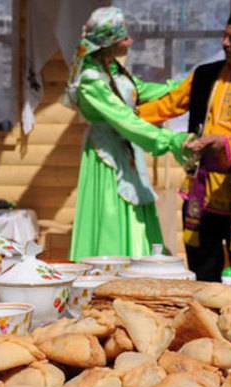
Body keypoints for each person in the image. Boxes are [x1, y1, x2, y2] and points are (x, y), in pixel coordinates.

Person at [138, 5, 231, 300]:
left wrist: (224, 143)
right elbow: (168, 105)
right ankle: (206, 334)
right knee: (203, 271)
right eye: (225, 36)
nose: (225, 44)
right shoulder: (204, 75)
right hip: (201, 191)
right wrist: (129, 116)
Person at [66, 7, 195, 261]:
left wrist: (187, 86)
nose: (130, 41)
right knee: (111, 213)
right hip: (108, 158)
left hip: (127, 153)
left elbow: (141, 91)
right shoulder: (91, 80)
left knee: (136, 210)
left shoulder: (113, 70)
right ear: (109, 42)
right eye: (124, 37)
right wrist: (169, 140)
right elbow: (124, 119)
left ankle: (139, 264)